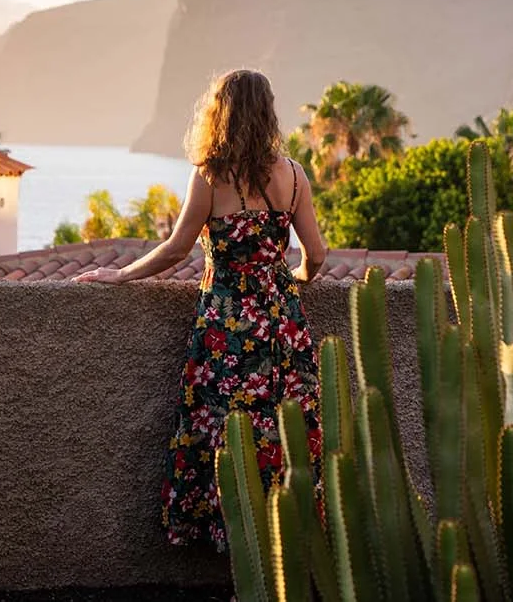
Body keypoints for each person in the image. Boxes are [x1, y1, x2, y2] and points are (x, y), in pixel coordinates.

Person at [74, 69, 328, 550]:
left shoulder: (211, 176)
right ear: (267, 112)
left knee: (226, 437)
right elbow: (316, 253)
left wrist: (122, 275)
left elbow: (176, 250)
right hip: (282, 327)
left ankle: (232, 548)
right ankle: (285, 546)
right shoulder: (293, 176)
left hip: (226, 330)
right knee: (283, 433)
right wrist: (292, 283)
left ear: (220, 113)